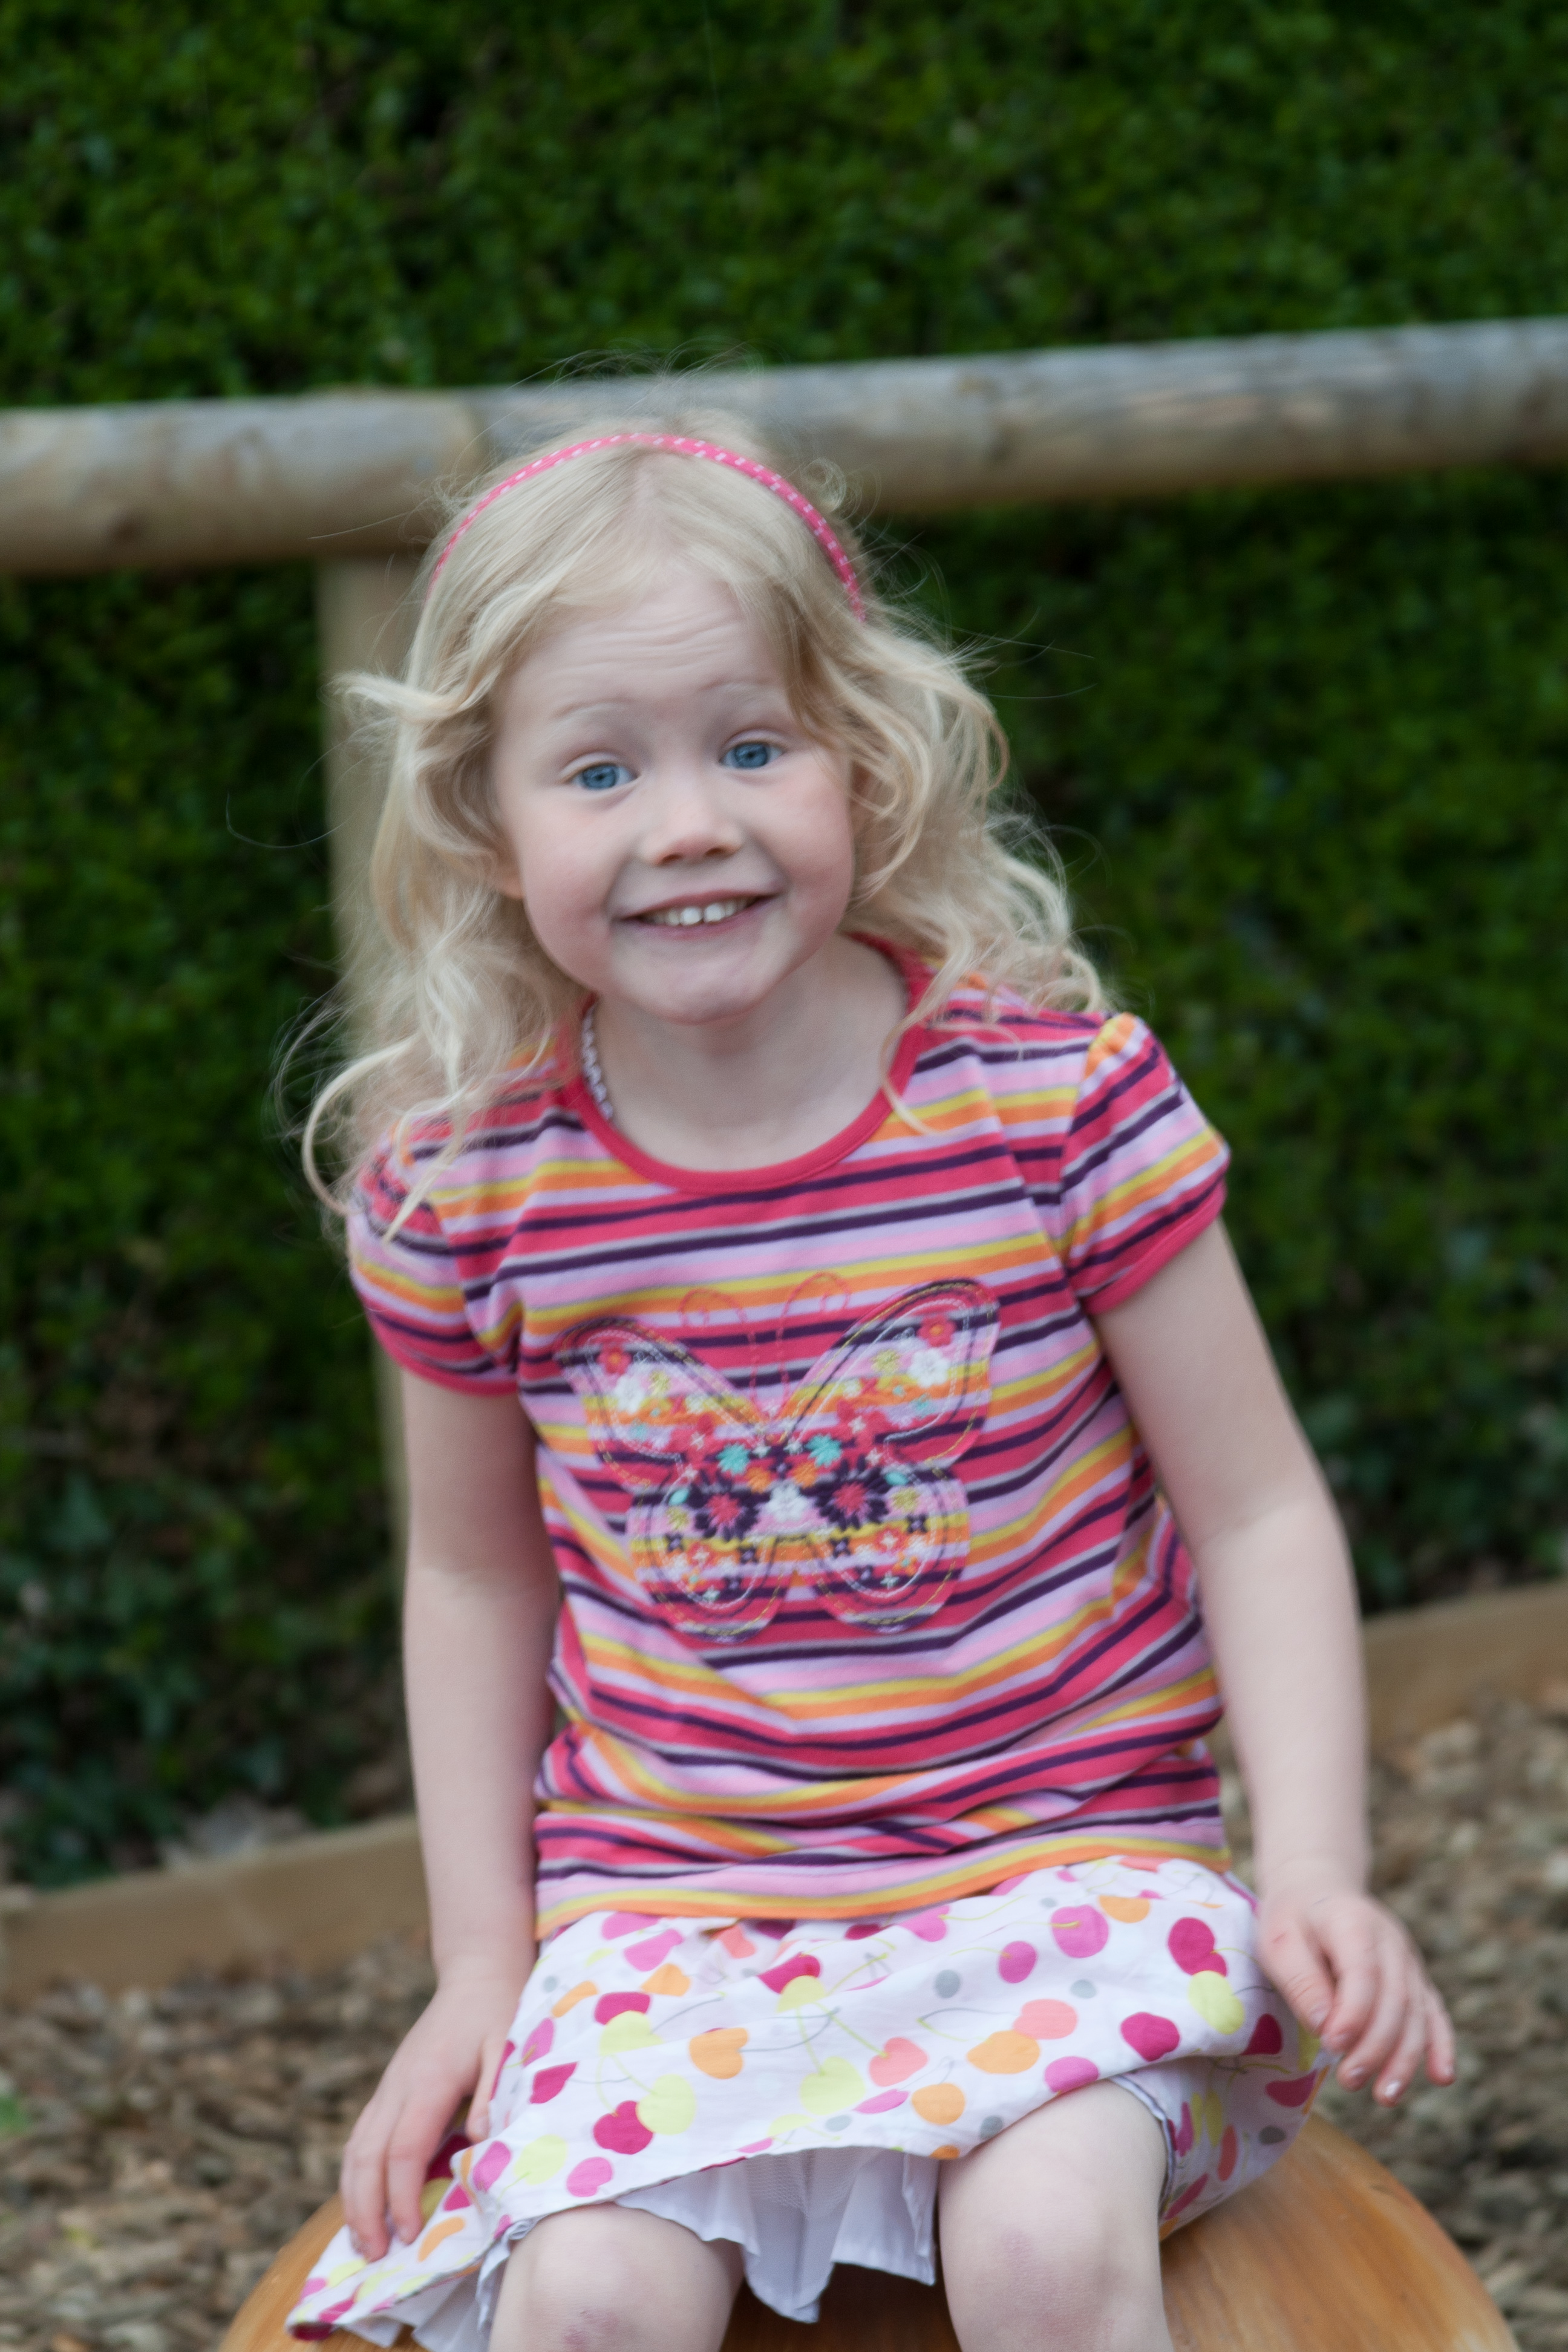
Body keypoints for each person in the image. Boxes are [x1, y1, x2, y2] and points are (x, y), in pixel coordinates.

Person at [287, 419, 1453, 2352]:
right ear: (488, 822)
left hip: (1061, 1864)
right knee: (589, 2301)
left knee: (1040, 2252)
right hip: (679, 1908)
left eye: (753, 746)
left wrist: (1317, 1864)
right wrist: (482, 1964)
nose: (688, 822)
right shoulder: (473, 1192)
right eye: (601, 768)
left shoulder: (1051, 1109)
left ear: (865, 760)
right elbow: (477, 1578)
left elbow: (1255, 1507)